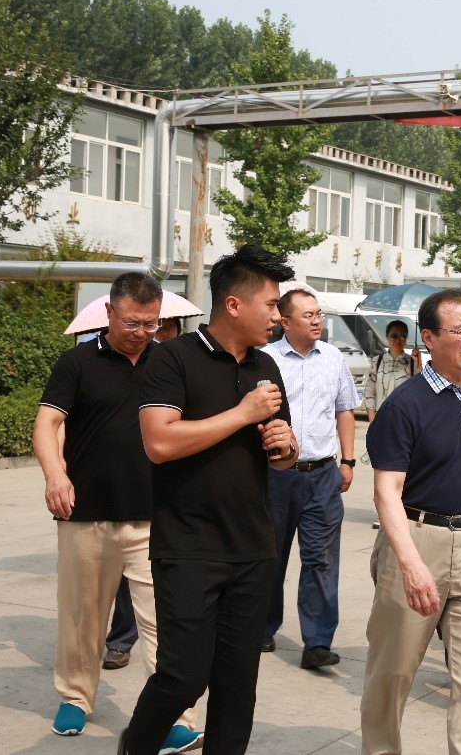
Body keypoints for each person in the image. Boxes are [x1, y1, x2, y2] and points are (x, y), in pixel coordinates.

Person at [119, 245, 299, 755]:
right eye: (271, 304)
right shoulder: (172, 358)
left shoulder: (266, 365)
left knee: (238, 684)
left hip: (252, 546)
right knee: (183, 676)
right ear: (234, 305)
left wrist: (285, 447)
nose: (278, 315)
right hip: (188, 546)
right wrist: (242, 414)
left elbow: (281, 460)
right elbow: (159, 443)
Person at [32, 273, 202, 753]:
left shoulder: (171, 362)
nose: (142, 332)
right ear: (108, 312)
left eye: (152, 323)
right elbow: (47, 422)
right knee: (82, 617)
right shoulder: (77, 363)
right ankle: (75, 696)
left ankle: (176, 715)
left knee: (166, 622)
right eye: (132, 323)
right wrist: (55, 475)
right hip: (87, 514)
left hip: (157, 516)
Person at [359, 289, 461, 755]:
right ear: (428, 337)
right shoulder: (405, 405)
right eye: (460, 330)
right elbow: (386, 492)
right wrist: (411, 565)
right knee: (392, 673)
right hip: (417, 540)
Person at [262, 288, 360, 668]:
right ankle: (262, 627)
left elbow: (344, 410)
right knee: (269, 554)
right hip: (275, 475)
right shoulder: (266, 360)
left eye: (318, 313)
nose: (317, 320)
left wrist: (347, 461)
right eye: (308, 315)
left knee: (321, 559)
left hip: (322, 474)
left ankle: (317, 642)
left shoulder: (333, 358)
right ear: (285, 322)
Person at [104, 315, 185, 671]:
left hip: (161, 485)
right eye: (157, 326)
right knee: (116, 578)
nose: (157, 333)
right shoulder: (105, 365)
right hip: (114, 486)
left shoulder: (175, 366)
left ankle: (132, 645)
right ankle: (119, 640)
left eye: (165, 327)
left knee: (151, 580)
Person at [362, 318, 423, 421]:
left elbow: (419, 391)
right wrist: (372, 419)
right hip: (380, 418)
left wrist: (418, 362)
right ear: (387, 337)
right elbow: (369, 393)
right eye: (394, 336)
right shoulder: (377, 361)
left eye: (403, 336)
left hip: (403, 420)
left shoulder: (412, 363)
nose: (398, 340)